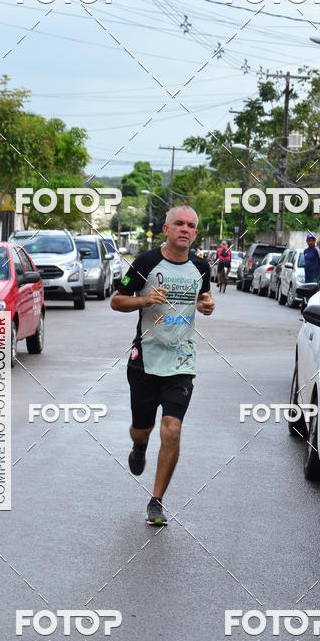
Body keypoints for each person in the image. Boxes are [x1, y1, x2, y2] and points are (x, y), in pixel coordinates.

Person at [110, 205, 215, 525]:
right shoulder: (145, 262)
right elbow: (117, 300)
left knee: (172, 429)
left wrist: (207, 305)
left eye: (191, 225)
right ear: (166, 229)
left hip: (181, 360)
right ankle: (139, 445)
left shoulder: (201, 267)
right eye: (179, 224)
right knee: (142, 428)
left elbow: (204, 300)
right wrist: (144, 300)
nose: (185, 229)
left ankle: (156, 501)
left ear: (196, 234)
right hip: (145, 359)